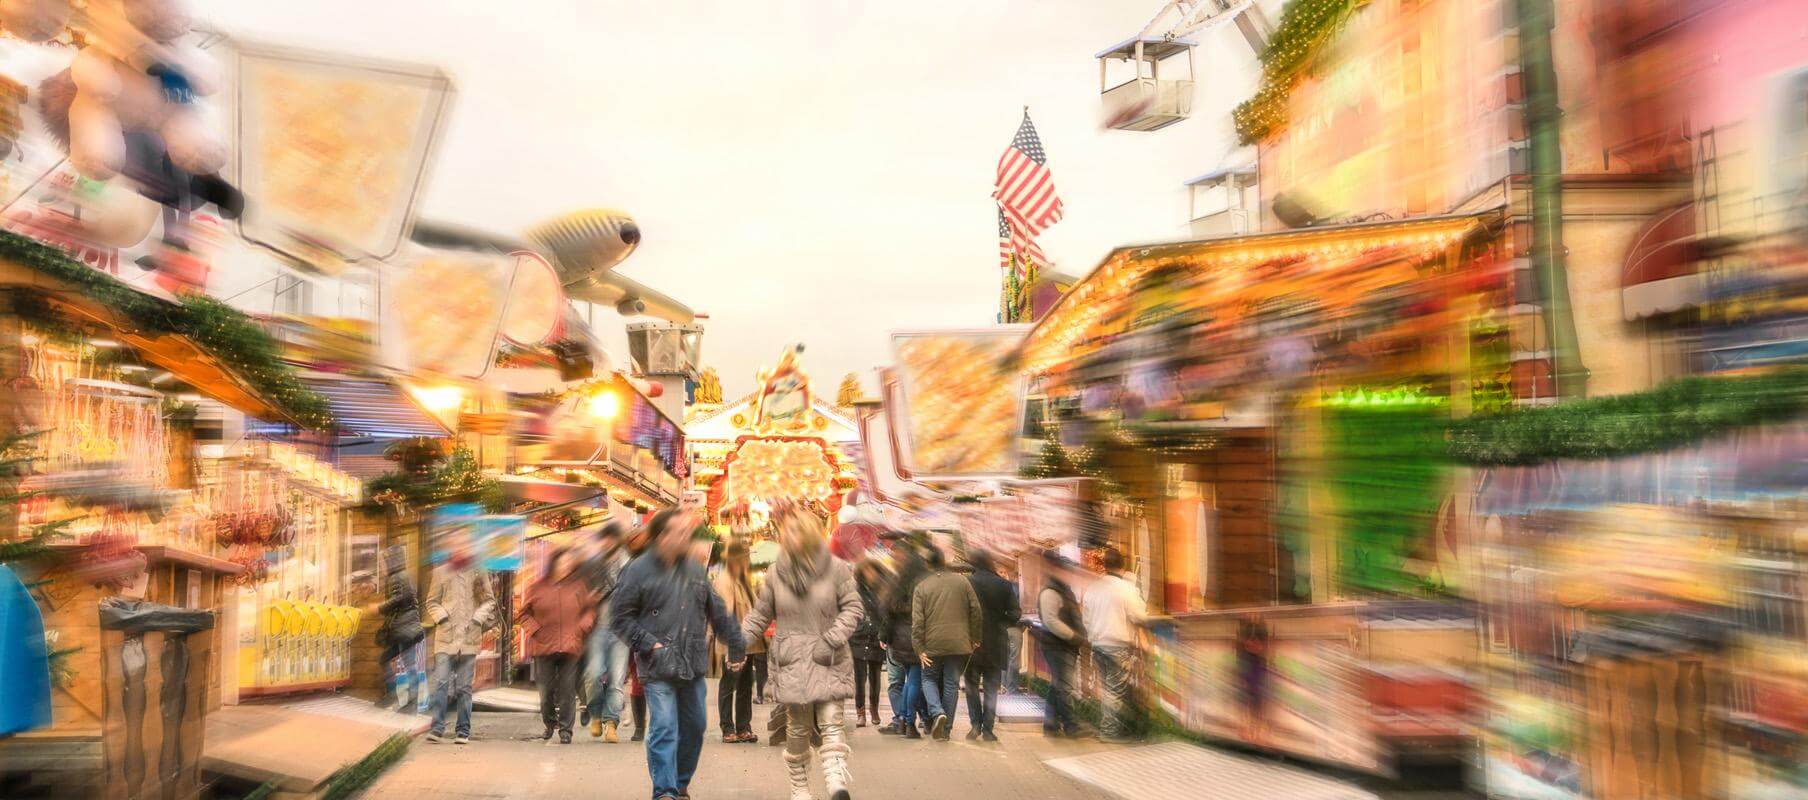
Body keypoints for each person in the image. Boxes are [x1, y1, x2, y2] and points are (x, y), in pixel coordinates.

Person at [611, 509, 747, 800]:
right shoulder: (636, 570)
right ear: (661, 536)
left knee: (695, 727)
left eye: (688, 532)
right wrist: (649, 643)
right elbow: (619, 618)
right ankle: (665, 791)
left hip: (691, 663)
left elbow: (718, 611)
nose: (686, 537)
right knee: (664, 727)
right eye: (680, 532)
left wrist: (736, 642)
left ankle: (680, 783)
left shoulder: (695, 569)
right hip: (657, 666)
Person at [740, 509, 863, 800]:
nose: (791, 537)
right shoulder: (775, 573)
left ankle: (835, 782)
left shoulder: (837, 569)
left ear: (810, 534)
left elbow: (853, 608)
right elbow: (760, 615)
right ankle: (800, 788)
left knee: (832, 719)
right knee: (797, 727)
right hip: (792, 661)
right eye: (788, 532)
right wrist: (738, 641)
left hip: (828, 656)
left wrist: (831, 639)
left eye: (797, 532)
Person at [520, 546, 596, 744]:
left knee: (567, 689)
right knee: (546, 690)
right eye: (562, 562)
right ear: (553, 564)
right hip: (544, 645)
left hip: (571, 645)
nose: (566, 566)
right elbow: (523, 614)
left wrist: (583, 626)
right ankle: (549, 722)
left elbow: (589, 610)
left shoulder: (578, 586)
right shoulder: (537, 587)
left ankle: (566, 730)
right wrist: (536, 630)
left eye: (569, 562)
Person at [423, 548, 495, 745]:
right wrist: (442, 618)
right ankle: (437, 728)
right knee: (441, 683)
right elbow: (431, 602)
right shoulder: (440, 572)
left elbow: (489, 600)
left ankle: (463, 730)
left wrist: (477, 619)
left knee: (464, 687)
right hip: (446, 637)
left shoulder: (479, 571)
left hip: (469, 638)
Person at [911, 543, 981, 741]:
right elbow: (975, 610)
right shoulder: (962, 582)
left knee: (928, 679)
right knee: (951, 684)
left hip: (932, 644)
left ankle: (936, 711)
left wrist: (919, 648)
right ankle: (946, 730)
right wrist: (975, 638)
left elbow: (918, 621)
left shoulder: (922, 587)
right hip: (959, 643)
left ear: (927, 564)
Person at [1083, 547, 1146, 744]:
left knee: (1109, 689)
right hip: (1117, 646)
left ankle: (1114, 728)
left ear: (1105, 566)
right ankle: (1110, 732)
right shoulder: (1126, 589)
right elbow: (1139, 616)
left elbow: (1086, 619)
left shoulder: (1093, 588)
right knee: (1115, 691)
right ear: (1122, 566)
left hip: (1098, 645)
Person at [962, 550, 1020, 742]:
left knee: (971, 686)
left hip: (971, 643)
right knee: (991, 688)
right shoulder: (1003, 585)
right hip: (996, 642)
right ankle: (988, 729)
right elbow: (1015, 614)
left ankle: (975, 725)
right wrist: (999, 620)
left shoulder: (967, 583)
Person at [581, 523, 632, 742]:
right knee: (593, 674)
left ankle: (611, 723)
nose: (608, 542)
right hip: (597, 628)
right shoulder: (593, 565)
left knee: (616, 679)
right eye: (605, 538)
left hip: (621, 630)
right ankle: (595, 714)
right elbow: (581, 594)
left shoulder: (629, 564)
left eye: (612, 538)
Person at [711, 539, 761, 743]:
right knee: (729, 683)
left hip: (747, 642)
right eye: (746, 557)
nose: (748, 561)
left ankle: (743, 726)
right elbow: (725, 614)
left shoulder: (744, 579)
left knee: (746, 685)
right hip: (733, 641)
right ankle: (727, 727)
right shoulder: (725, 580)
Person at [1035, 550, 1089, 738]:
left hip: (1061, 645)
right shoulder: (1051, 591)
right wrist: (1073, 636)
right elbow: (1051, 621)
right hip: (1058, 645)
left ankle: (1050, 725)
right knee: (1064, 686)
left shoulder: (1062, 589)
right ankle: (1071, 726)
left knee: (1058, 685)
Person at [876, 538, 924, 738]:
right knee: (914, 680)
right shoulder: (920, 582)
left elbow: (887, 613)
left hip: (898, 638)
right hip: (916, 636)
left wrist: (884, 636)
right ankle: (909, 722)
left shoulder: (895, 582)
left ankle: (904, 720)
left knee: (906, 681)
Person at [374, 545, 425, 712]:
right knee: (387, 659)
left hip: (405, 629)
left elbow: (398, 599)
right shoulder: (401, 575)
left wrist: (378, 607)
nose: (382, 565)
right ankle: (395, 696)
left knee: (409, 664)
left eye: (384, 561)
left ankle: (410, 702)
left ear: (391, 560)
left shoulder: (397, 577)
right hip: (405, 628)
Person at [849, 559, 889, 729]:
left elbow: (887, 614)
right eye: (866, 572)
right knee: (859, 678)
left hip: (876, 638)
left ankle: (874, 709)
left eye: (873, 571)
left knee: (875, 678)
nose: (870, 575)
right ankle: (860, 712)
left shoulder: (883, 591)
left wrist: (884, 633)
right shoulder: (855, 591)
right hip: (858, 637)